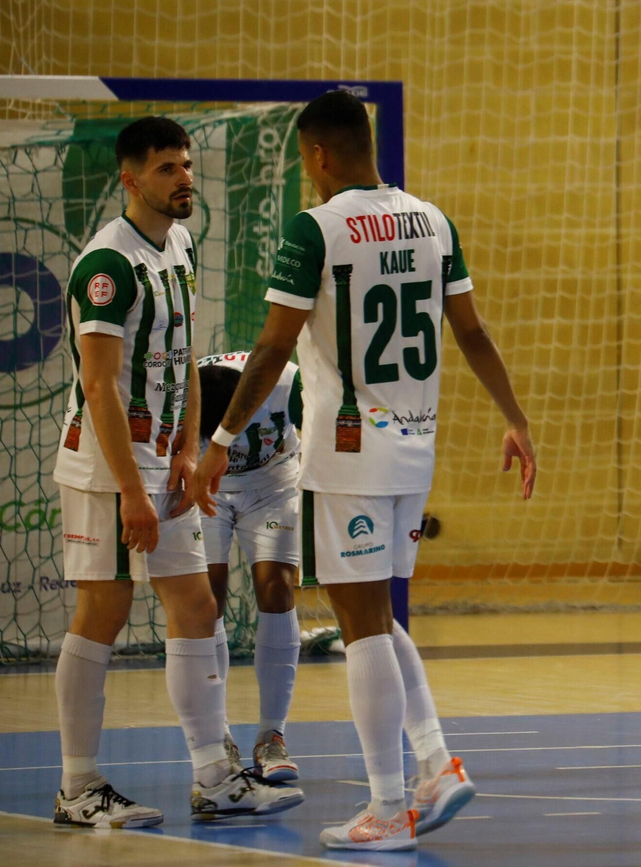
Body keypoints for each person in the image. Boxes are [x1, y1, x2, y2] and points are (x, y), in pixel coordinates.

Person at [188, 91, 538, 851]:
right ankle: (436, 765)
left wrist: (221, 436)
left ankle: (387, 807)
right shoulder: (433, 220)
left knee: (358, 625)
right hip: (416, 444)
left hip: (347, 450)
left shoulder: (315, 229)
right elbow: (471, 331)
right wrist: (515, 418)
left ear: (317, 155)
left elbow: (275, 347)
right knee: (377, 613)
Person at [52, 116, 300, 827]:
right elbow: (99, 386)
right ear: (131, 180)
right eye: (166, 168)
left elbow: (186, 358)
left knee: (195, 608)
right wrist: (131, 487)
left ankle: (217, 778)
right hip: (108, 468)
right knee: (103, 611)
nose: (184, 177)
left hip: (166, 461)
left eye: (186, 165)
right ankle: (78, 788)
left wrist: (190, 450)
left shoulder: (181, 244)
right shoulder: (107, 267)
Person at [195, 351, 304, 781]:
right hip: (211, 486)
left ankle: (271, 736)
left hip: (273, 483)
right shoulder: (190, 394)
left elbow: (324, 434)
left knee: (276, 587)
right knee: (205, 599)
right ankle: (218, 732)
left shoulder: (287, 383)